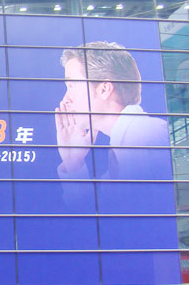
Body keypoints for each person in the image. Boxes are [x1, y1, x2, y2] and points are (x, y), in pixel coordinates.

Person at [55, 41, 169, 184]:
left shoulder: (145, 138)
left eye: (72, 86)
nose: (65, 99)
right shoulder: (131, 144)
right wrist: (73, 163)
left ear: (104, 90)